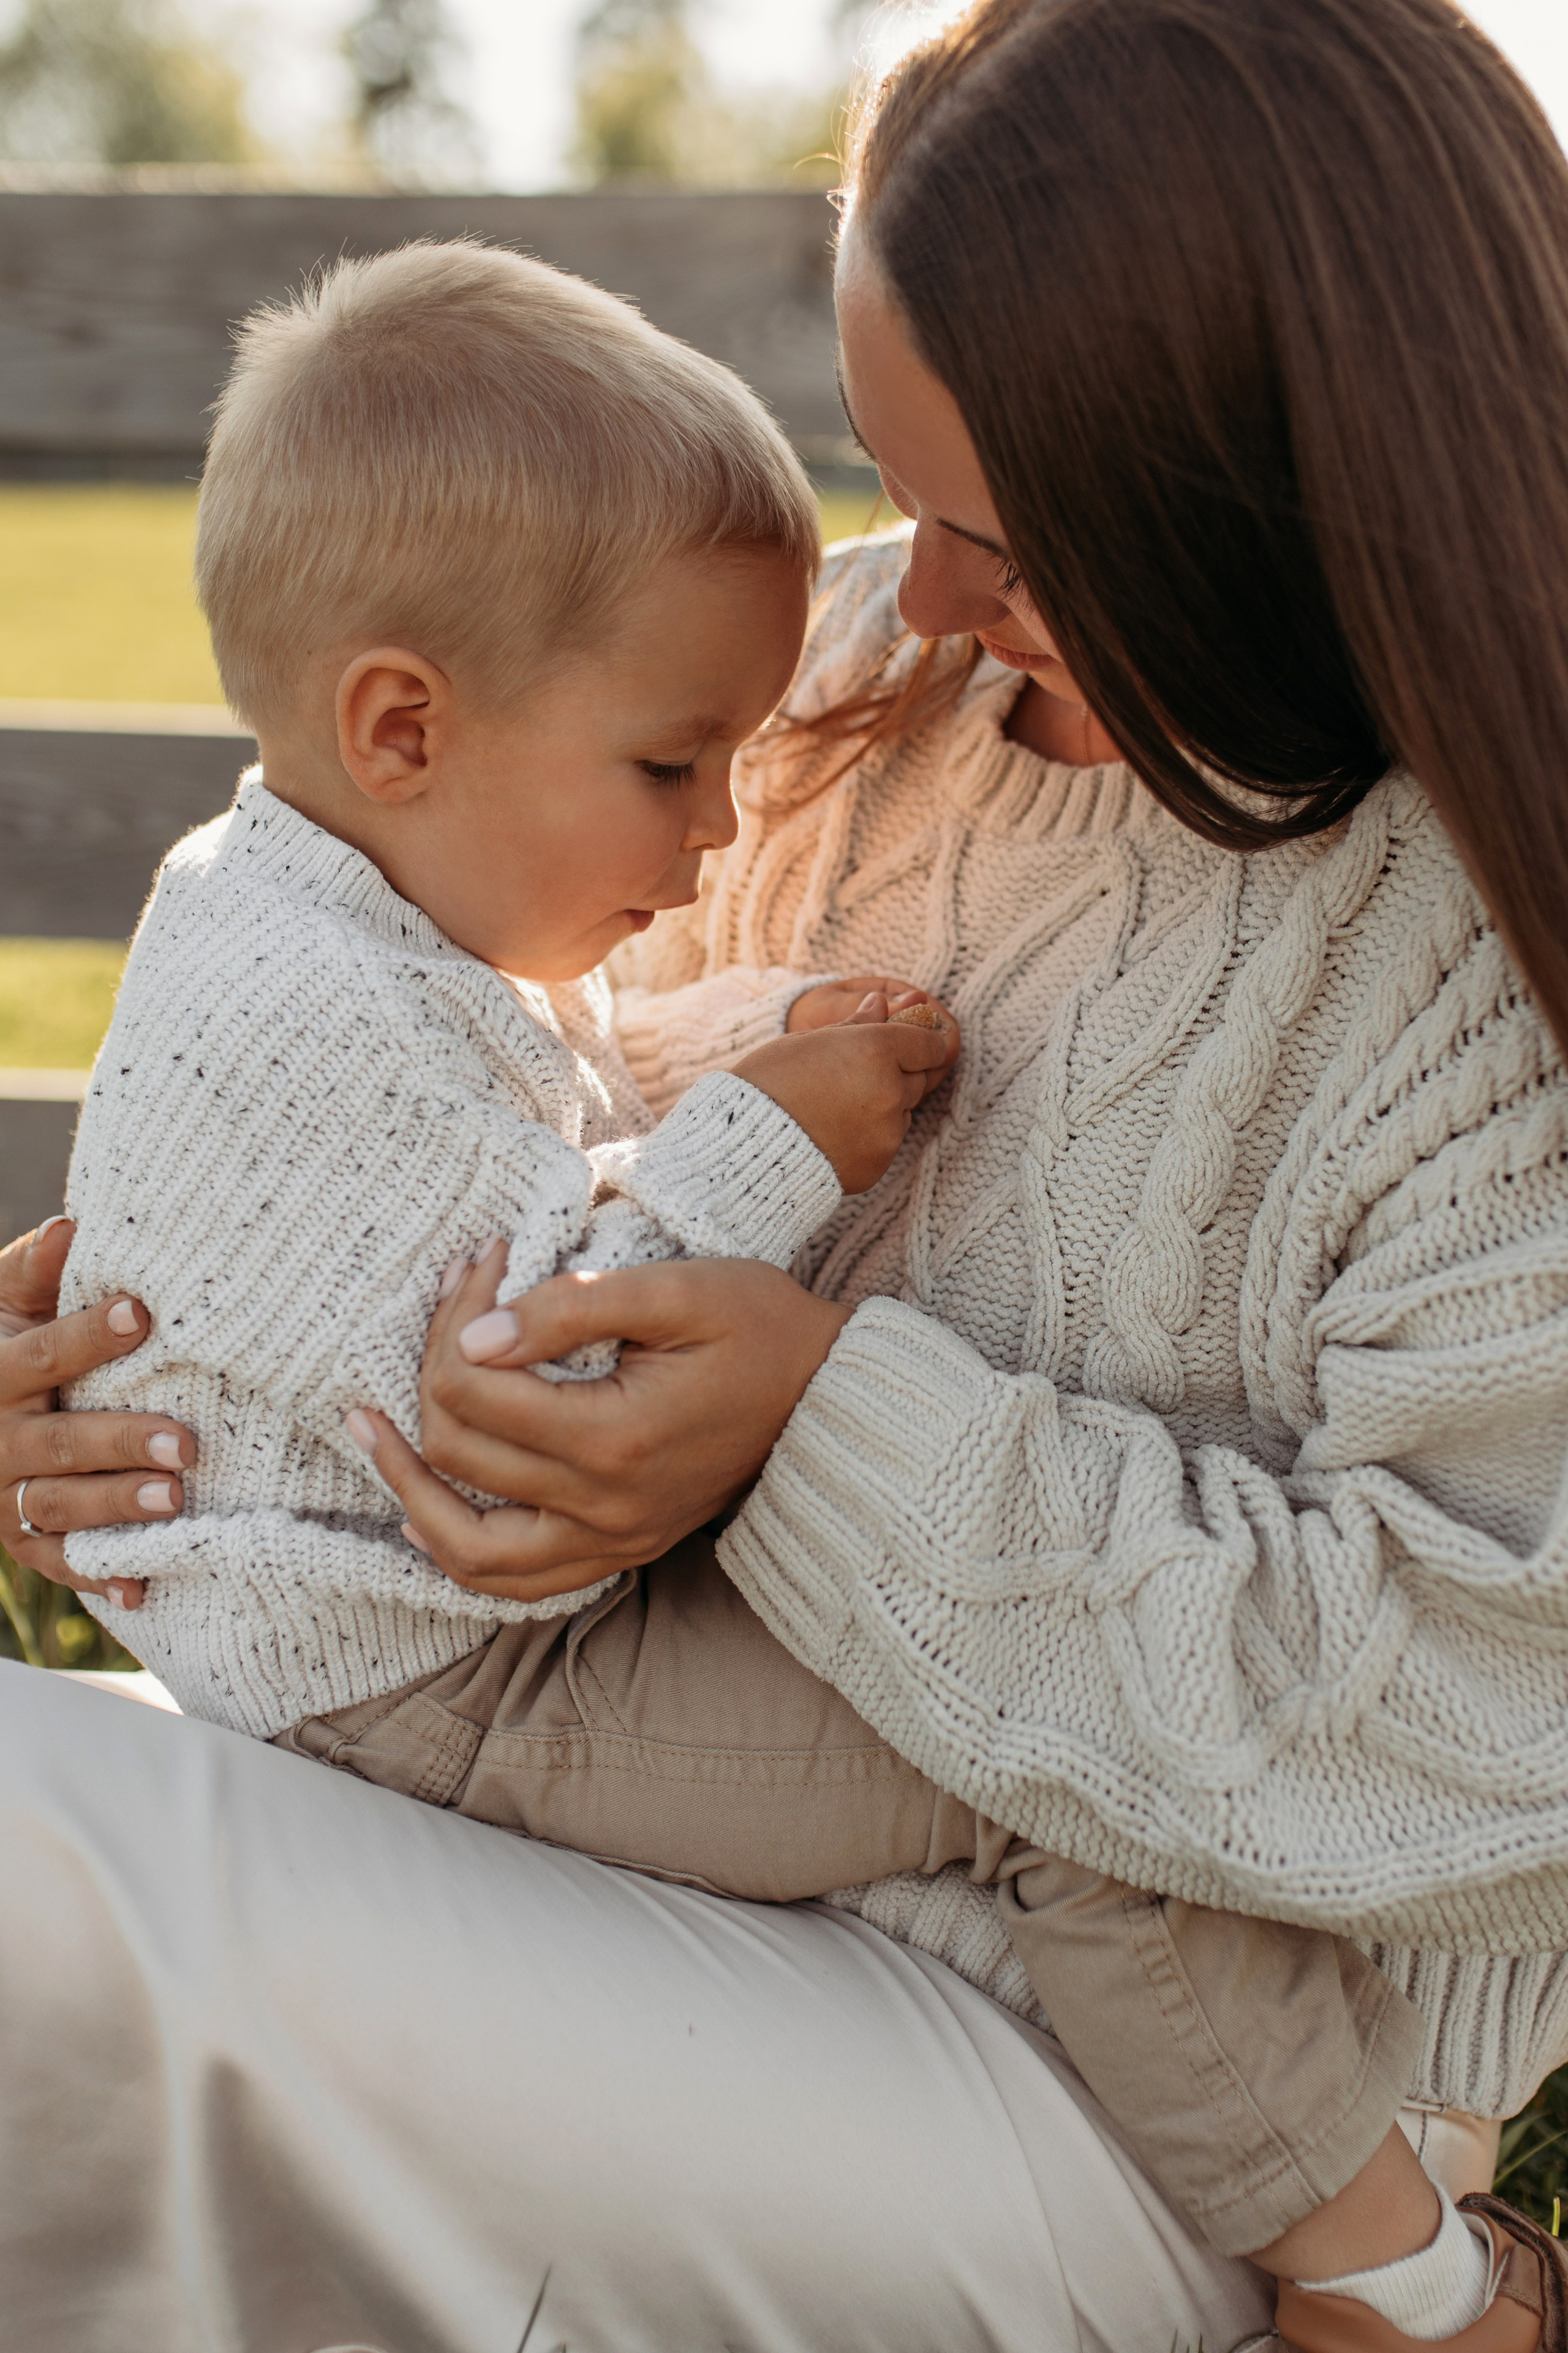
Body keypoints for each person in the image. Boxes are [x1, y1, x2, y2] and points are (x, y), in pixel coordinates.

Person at [6, 0, 1568, 2344]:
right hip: (604, 1840)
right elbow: (553, 1116)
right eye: (896, 492)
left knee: (43, 1900)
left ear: (1262, 491)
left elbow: (1484, 1717)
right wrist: (180, 1359)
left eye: (998, 530)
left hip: (1149, 2085)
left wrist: (816, 1421)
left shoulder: (1478, 950)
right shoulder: (837, 702)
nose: (912, 602)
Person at [55, 235, 956, 1732]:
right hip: (425, 1674)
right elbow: (550, 1363)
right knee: (936, 1776)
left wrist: (759, 1032)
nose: (719, 821)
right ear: (402, 730)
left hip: (441, 1628)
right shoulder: (299, 1011)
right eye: (673, 762)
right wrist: (769, 1143)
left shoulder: (344, 907)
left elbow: (553, 1084)